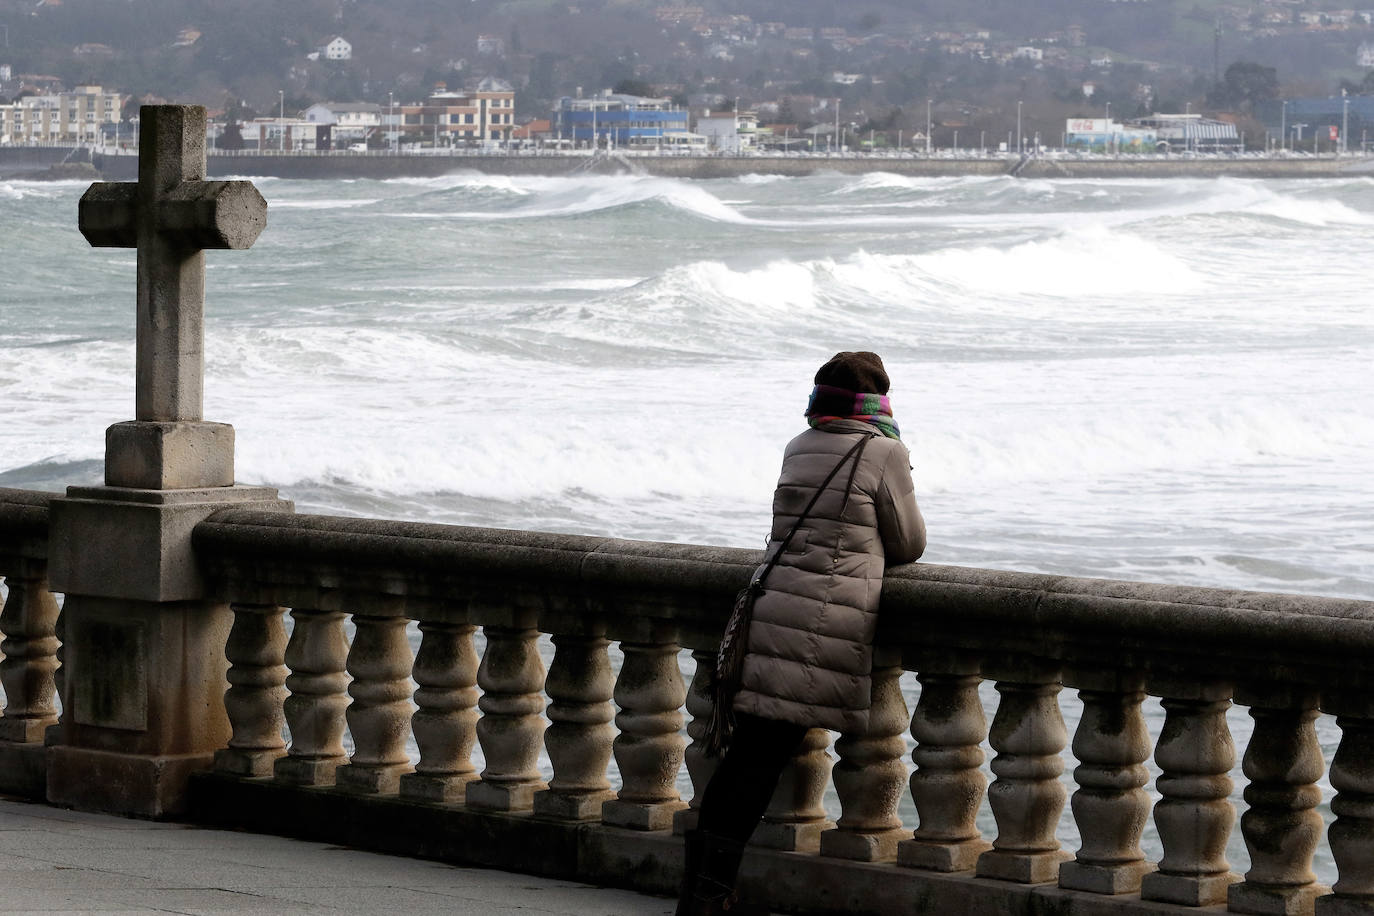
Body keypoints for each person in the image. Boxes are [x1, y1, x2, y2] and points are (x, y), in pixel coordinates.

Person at [677, 351, 926, 915]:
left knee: (748, 755)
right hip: (820, 622)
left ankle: (701, 893)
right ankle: (706, 899)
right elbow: (909, 544)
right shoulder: (883, 450)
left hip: (773, 607)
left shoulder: (800, 444)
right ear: (878, 402)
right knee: (758, 760)